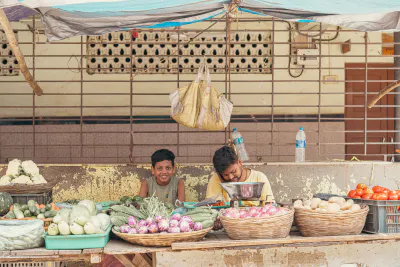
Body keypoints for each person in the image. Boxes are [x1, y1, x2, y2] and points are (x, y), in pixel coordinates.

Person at [206, 146, 275, 204]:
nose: (230, 177)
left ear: (239, 162)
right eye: (225, 175)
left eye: (233, 171)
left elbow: (269, 205)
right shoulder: (217, 178)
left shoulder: (259, 177)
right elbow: (213, 206)